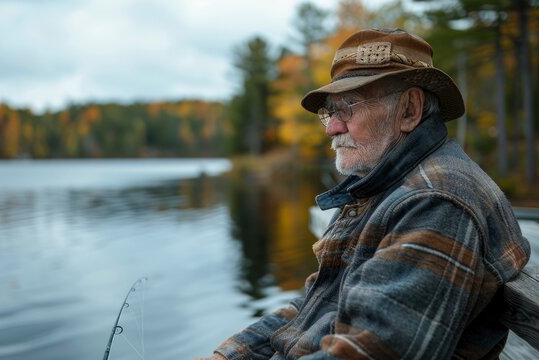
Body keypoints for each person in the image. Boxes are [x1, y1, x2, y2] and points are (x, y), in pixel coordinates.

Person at [199, 28, 531, 359]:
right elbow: (319, 302)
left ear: (409, 111)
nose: (331, 127)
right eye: (331, 111)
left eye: (349, 107)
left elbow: (371, 352)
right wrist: (228, 355)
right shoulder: (386, 184)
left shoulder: (435, 202)